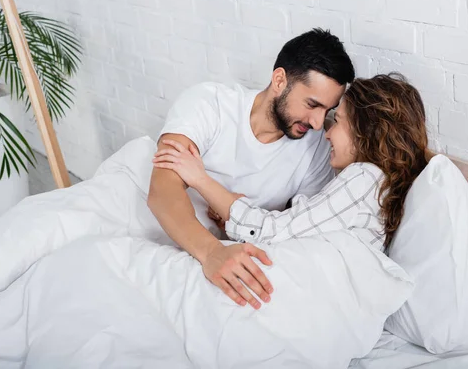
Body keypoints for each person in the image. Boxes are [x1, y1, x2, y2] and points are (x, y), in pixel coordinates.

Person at [153, 73, 429, 297]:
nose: (326, 130)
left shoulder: (365, 178)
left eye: (338, 121)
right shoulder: (371, 184)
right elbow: (299, 227)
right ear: (279, 80)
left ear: (365, 132)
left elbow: (275, 232)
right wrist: (230, 219)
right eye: (313, 106)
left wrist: (200, 179)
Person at [147, 28, 355, 310]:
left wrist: (236, 224)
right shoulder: (211, 104)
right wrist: (211, 252)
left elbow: (295, 226)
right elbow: (162, 189)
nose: (318, 123)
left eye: (327, 111)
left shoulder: (316, 148)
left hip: (229, 251)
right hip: (168, 232)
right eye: (312, 105)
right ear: (280, 80)